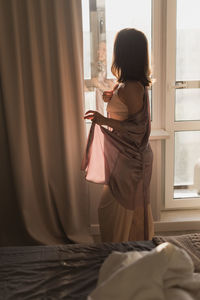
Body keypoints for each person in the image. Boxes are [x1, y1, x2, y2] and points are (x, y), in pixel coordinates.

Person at [82, 28, 154, 243]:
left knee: (118, 211)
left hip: (132, 160)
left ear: (123, 52)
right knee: (115, 211)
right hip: (125, 157)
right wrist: (110, 99)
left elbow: (138, 128)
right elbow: (124, 112)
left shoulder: (131, 87)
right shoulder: (125, 84)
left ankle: (125, 255)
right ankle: (123, 255)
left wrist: (103, 120)